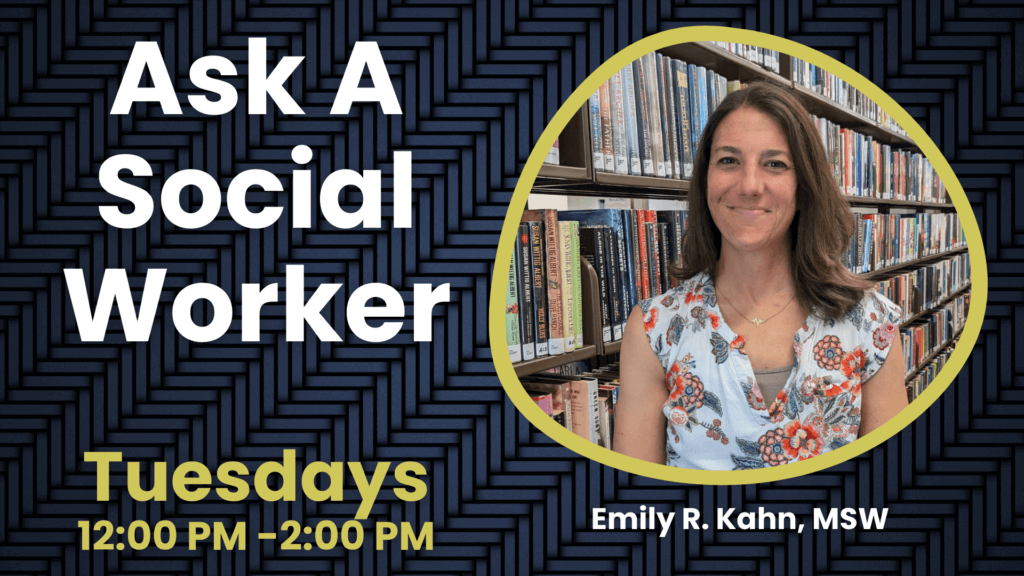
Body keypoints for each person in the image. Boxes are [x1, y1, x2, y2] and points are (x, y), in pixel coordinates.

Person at [613, 81, 908, 470]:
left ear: (803, 186)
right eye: (729, 161)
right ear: (705, 181)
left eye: (775, 164)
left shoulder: (871, 324)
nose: (750, 186)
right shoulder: (655, 329)